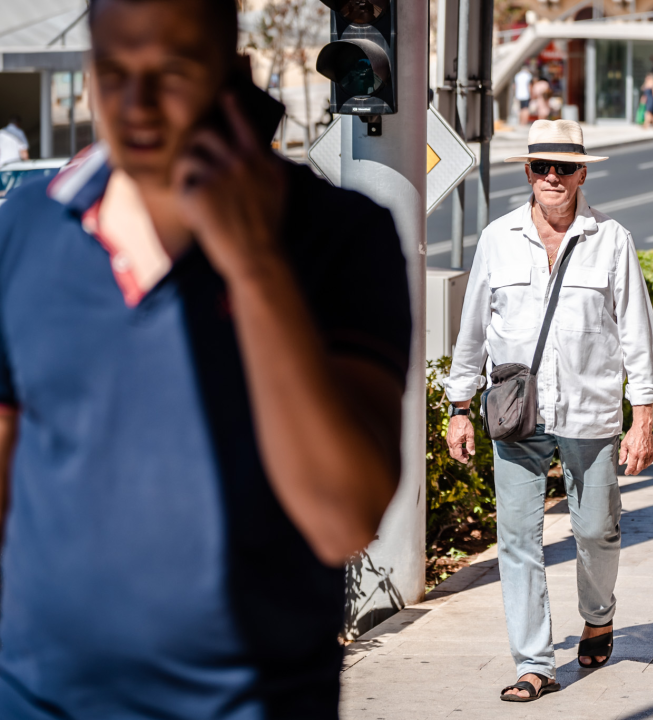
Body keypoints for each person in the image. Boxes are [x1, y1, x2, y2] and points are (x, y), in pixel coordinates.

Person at [0, 0, 411, 716]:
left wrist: (251, 266)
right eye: (114, 72)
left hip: (251, 702)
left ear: (232, 75)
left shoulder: (339, 239)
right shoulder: (24, 230)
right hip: (38, 700)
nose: (139, 105)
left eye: (173, 70)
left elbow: (344, 517)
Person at [444, 119, 653, 702]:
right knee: (518, 538)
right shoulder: (498, 238)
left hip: (590, 410)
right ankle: (534, 663)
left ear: (582, 173)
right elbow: (471, 330)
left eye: (564, 167)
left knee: (596, 529)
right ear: (527, 171)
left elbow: (637, 332)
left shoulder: (611, 239)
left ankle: (599, 616)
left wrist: (642, 418)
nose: (553, 177)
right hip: (515, 412)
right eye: (542, 167)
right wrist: (459, 405)